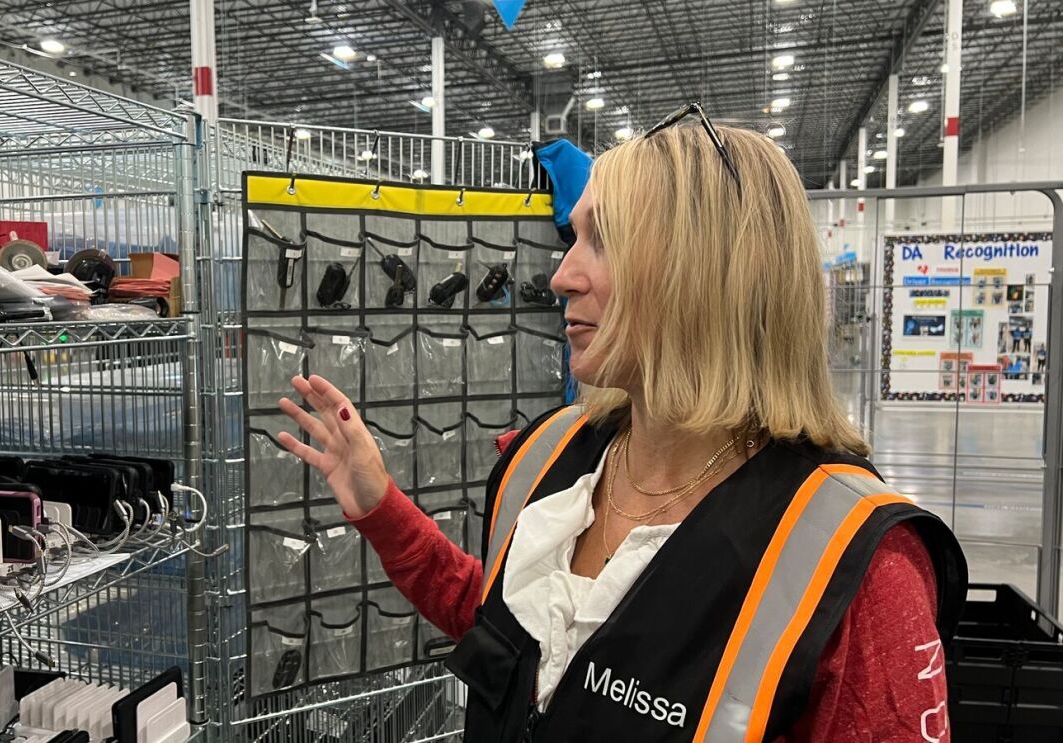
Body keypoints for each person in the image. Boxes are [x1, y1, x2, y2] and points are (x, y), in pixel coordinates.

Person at [275, 108, 967, 743]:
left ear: (707, 272)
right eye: (574, 238)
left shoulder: (858, 566)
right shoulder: (547, 456)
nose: (562, 276)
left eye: (601, 241)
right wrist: (381, 508)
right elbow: (509, 637)